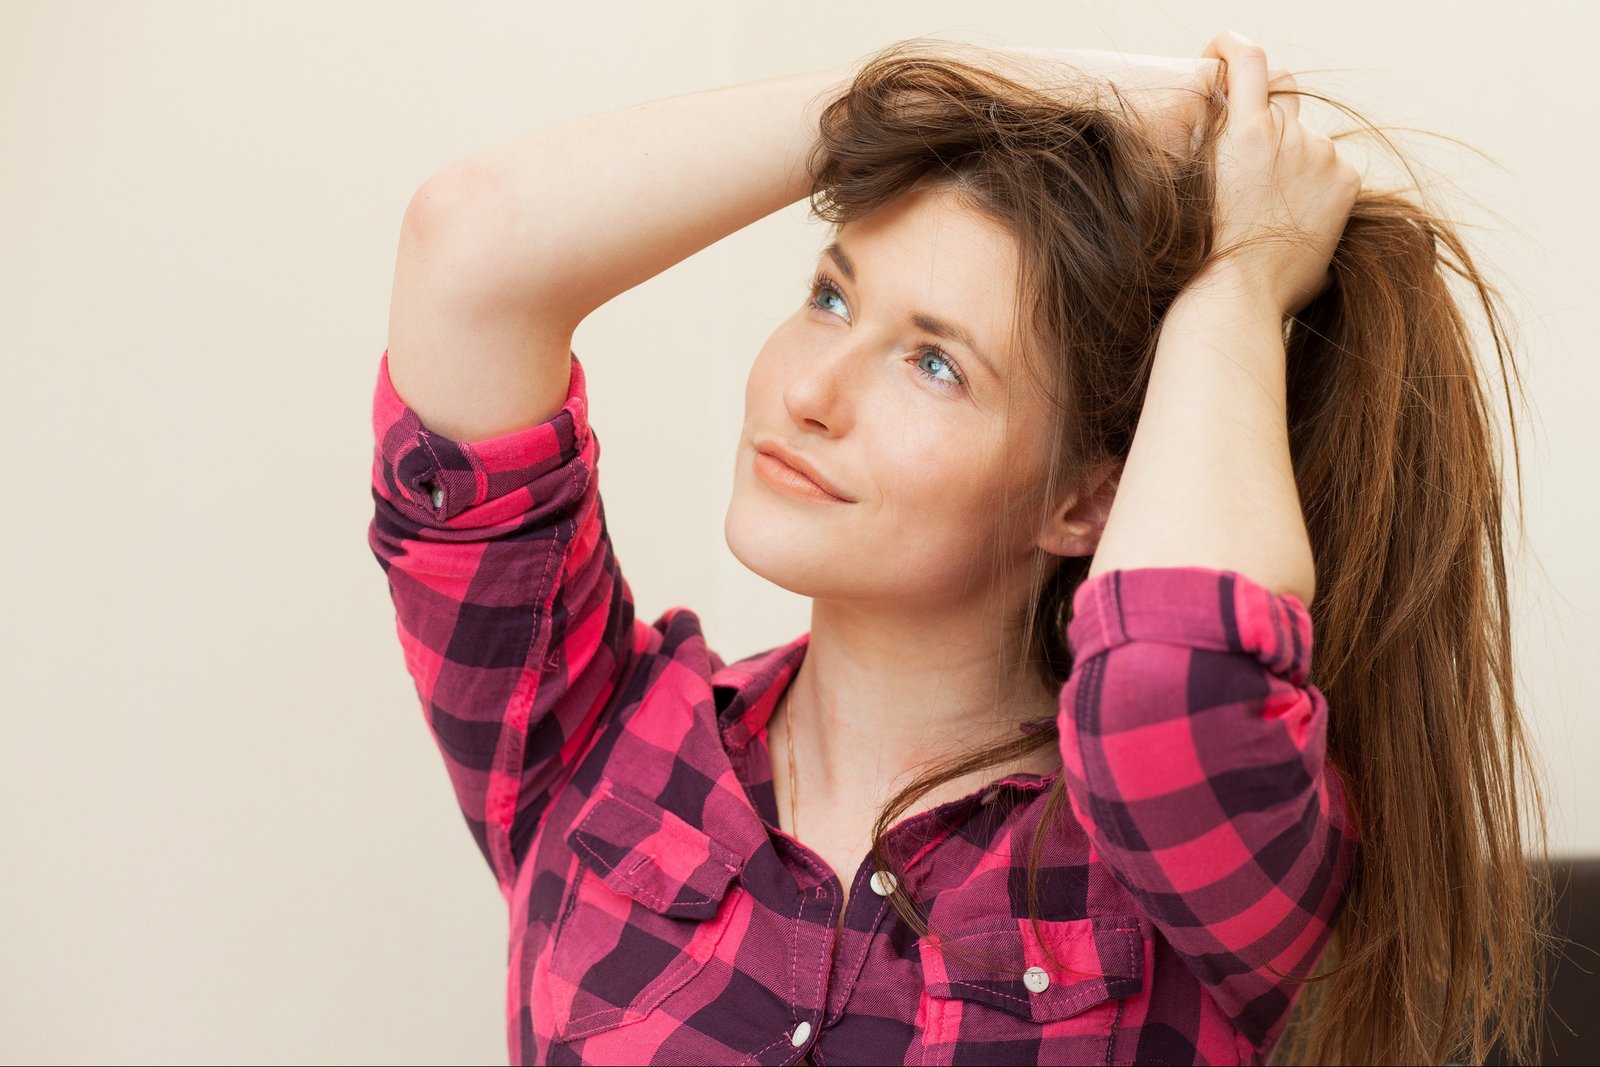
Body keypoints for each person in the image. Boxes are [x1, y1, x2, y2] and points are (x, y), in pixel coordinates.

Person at [368, 30, 1552, 1066]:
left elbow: (1166, 678)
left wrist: (1240, 284)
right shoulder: (589, 740)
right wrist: (1014, 87)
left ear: (1090, 501)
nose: (812, 390)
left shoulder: (1178, 863)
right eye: (831, 297)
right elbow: (469, 245)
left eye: (934, 362)